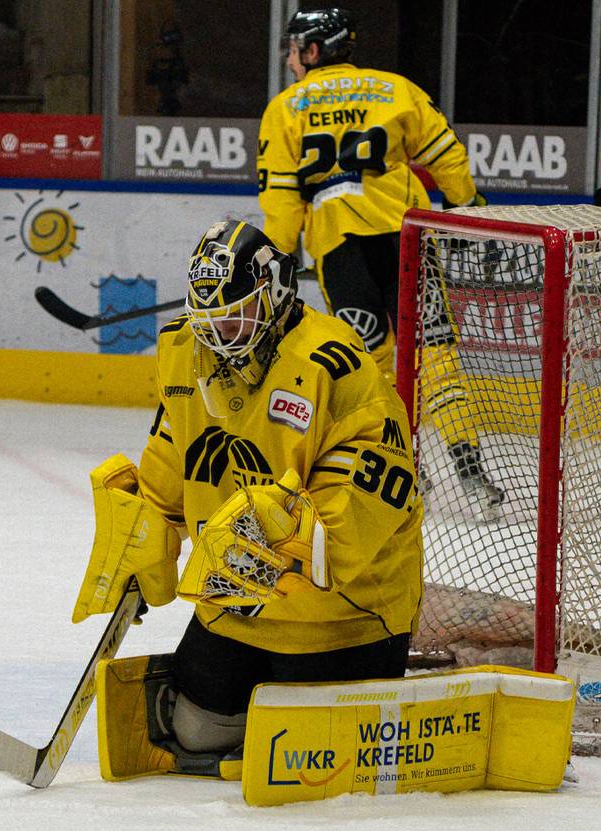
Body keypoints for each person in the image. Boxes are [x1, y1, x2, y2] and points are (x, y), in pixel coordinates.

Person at [73, 219, 424, 775]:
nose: (220, 339)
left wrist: (288, 531)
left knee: (298, 748)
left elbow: (363, 514)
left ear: (277, 294)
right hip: (236, 607)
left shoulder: (335, 364)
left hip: (347, 612)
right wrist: (145, 529)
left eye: (234, 319)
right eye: (209, 323)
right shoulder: (186, 351)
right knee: (194, 733)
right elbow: (172, 456)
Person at [257, 7, 505, 519]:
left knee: (373, 362)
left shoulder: (285, 109)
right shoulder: (395, 89)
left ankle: (404, 467)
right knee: (435, 353)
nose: (289, 60)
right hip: (407, 236)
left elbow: (282, 199)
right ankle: (473, 472)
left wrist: (279, 258)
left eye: (293, 49)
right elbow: (446, 154)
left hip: (339, 247)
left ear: (314, 50)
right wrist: (465, 208)